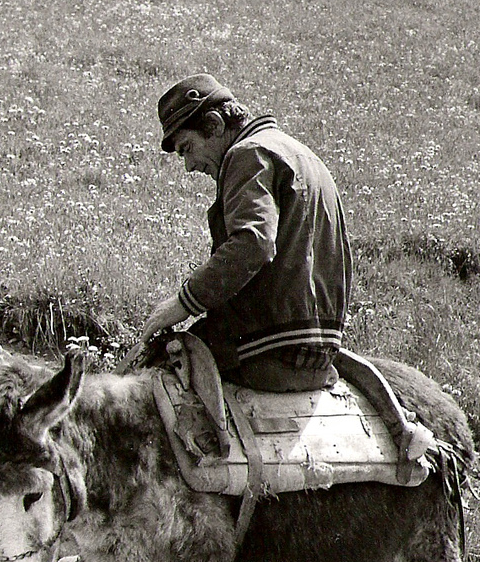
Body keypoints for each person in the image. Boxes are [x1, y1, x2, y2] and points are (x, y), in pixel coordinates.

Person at [139, 74, 352, 392]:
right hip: (318, 349)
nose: (190, 166)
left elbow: (253, 242)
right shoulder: (302, 155)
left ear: (213, 124)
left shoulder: (248, 154)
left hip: (268, 347)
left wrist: (182, 303)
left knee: (154, 375)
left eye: (187, 148)